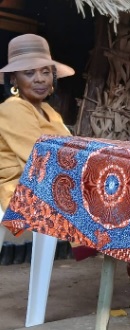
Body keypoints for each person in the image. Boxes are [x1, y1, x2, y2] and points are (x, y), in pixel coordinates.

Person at [0, 33, 75, 211]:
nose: (40, 78)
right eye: (29, 73)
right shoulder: (12, 109)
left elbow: (71, 149)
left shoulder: (50, 112)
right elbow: (41, 159)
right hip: (22, 191)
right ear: (13, 79)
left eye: (46, 72)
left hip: (52, 185)